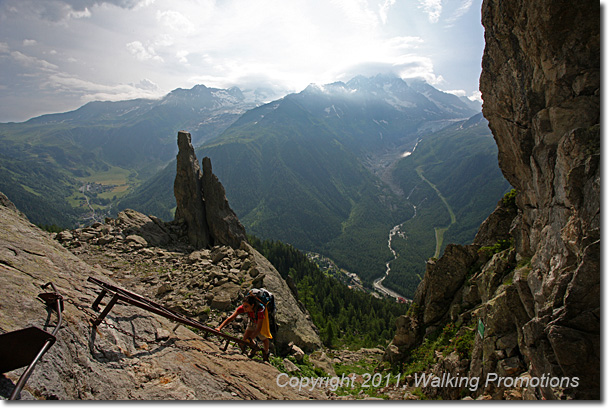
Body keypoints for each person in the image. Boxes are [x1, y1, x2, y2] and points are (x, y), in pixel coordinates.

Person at [216, 295, 272, 361]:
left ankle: (266, 352)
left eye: (246, 306)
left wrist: (251, 338)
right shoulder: (242, 308)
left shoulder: (260, 310)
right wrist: (219, 328)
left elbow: (258, 328)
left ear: (252, 305)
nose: (244, 308)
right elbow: (230, 318)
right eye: (243, 306)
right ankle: (254, 347)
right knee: (245, 339)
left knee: (264, 338)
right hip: (252, 321)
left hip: (261, 322)